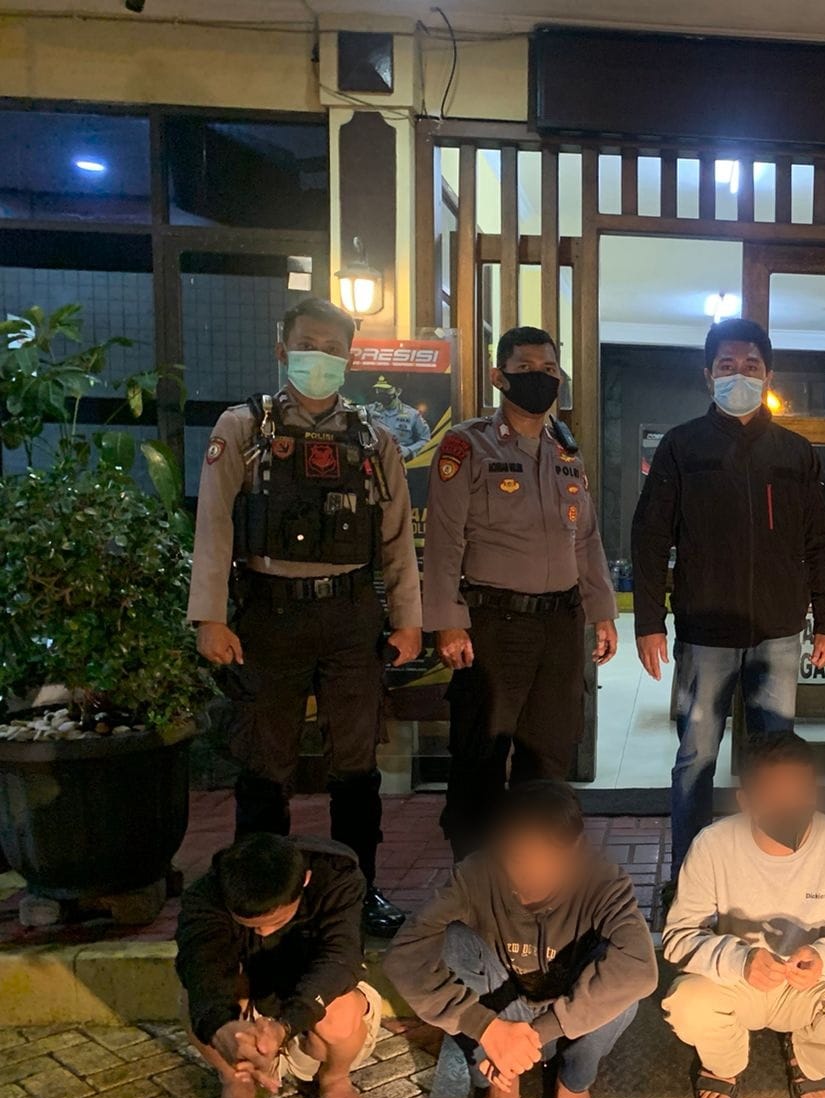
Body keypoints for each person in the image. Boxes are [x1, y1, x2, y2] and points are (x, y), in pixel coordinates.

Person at [188, 296, 421, 937]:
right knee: (265, 766)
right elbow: (213, 526)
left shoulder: (374, 439)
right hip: (268, 615)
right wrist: (209, 616)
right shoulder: (245, 428)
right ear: (282, 348)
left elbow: (397, 536)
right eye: (308, 345)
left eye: (333, 348)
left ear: (350, 358)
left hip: (350, 615)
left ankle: (359, 891)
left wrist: (408, 621)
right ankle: (258, 899)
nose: (320, 357)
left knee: (356, 766)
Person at [631, 318, 825, 875]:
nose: (739, 375)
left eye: (751, 366)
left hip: (778, 632)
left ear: (768, 375)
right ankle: (689, 874)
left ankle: (773, 870)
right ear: (708, 375)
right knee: (696, 759)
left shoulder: (795, 453)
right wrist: (648, 621)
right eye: (727, 366)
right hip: (705, 632)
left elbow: (823, 541)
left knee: (777, 759)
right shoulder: (682, 446)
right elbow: (650, 538)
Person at [424, 327, 619, 860]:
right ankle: (475, 873)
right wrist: (447, 621)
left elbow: (586, 538)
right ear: (499, 376)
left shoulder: (565, 449)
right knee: (481, 753)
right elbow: (444, 539)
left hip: (560, 624)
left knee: (549, 753)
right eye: (526, 368)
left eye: (549, 369)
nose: (540, 378)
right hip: (494, 624)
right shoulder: (468, 444)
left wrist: (602, 612)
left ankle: (540, 864)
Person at [386, 780, 656, 1098]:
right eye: (518, 859)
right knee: (453, 941)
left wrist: (532, 1037)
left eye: (547, 861)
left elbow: (640, 967)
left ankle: (574, 1083)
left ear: (575, 849)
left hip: (568, 1019)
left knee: (623, 984)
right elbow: (404, 953)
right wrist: (486, 1027)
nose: (530, 874)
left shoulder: (604, 880)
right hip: (500, 1014)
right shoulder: (476, 874)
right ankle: (502, 1083)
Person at [661, 732, 825, 1098]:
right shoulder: (714, 844)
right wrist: (739, 960)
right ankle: (725, 1063)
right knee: (686, 1003)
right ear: (746, 801)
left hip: (812, 986)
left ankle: (808, 1056)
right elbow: (678, 939)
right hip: (739, 983)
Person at [176, 833, 384, 1098]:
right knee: (194, 997)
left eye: (276, 921)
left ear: (306, 880)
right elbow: (202, 966)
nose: (263, 932)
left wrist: (284, 1026)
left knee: (338, 1007)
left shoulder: (336, 877)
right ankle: (236, 1084)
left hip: (311, 1022)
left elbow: (341, 959)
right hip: (252, 1013)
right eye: (251, 925)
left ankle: (335, 1080)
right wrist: (223, 1029)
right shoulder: (206, 893)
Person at [363, 376, 432, 460]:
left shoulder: (412, 415)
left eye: (386, 390)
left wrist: (409, 450)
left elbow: (426, 440)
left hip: (400, 461)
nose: (382, 393)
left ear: (398, 391)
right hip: (375, 460)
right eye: (379, 390)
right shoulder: (369, 411)